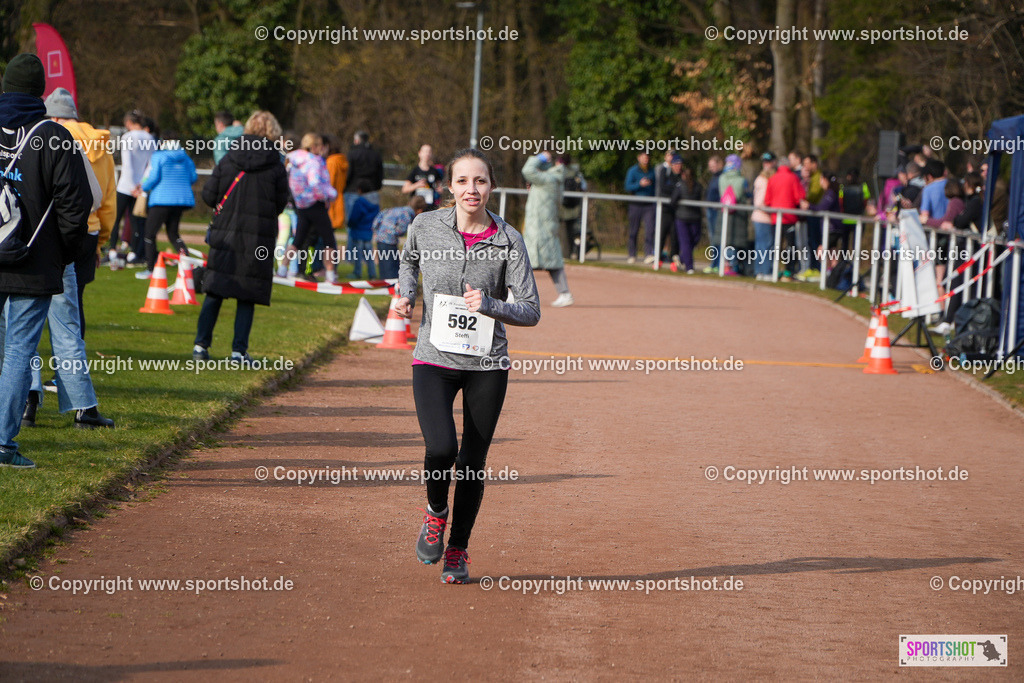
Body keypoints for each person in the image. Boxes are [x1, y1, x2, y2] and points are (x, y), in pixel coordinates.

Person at [396, 148, 541, 584]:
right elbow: (408, 262)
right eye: (463, 181)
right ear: (450, 187)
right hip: (434, 358)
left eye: (479, 181)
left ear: (491, 186)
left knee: (472, 462)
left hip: (486, 364)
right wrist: (405, 294)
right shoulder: (425, 225)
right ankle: (436, 511)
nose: (471, 189)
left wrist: (492, 304)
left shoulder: (508, 240)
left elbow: (531, 309)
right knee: (441, 449)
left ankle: (458, 550)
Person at [0, 54, 94, 468]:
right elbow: (78, 207)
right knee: (19, 351)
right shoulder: (54, 137)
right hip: (34, 262)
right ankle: (3, 444)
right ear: (40, 90)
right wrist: (66, 254)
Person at [194, 111, 289, 364]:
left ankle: (200, 346)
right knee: (248, 293)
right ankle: (238, 351)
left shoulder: (229, 158)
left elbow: (208, 194)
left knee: (214, 290)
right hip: (258, 236)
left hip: (226, 231)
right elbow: (280, 204)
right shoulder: (276, 164)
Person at [45, 87, 116, 335]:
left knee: (41, 307)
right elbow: (108, 201)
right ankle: (73, 368)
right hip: (91, 231)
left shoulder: (53, 138)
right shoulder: (103, 146)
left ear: (53, 118)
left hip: (59, 230)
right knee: (75, 306)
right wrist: (101, 242)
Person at [136, 137, 197, 280]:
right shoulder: (186, 158)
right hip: (181, 201)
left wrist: (142, 187)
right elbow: (193, 177)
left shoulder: (159, 156)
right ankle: (187, 264)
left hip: (161, 200)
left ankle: (151, 269)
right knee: (173, 234)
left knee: (149, 234)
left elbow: (153, 177)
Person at [283, 133, 338, 283]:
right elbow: (316, 184)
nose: (322, 149)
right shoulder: (313, 162)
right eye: (320, 145)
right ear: (313, 146)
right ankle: (330, 275)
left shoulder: (294, 161)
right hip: (316, 204)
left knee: (297, 240)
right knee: (329, 241)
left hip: (301, 205)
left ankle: (282, 270)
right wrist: (331, 194)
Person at [523, 152, 574, 307]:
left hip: (539, 228)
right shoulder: (554, 179)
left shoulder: (550, 179)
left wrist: (539, 158)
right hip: (543, 226)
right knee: (551, 263)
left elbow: (528, 170)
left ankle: (513, 293)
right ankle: (564, 293)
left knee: (523, 261)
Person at [110, 110, 154, 266]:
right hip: (140, 187)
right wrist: (141, 185)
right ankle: (136, 252)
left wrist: (131, 186)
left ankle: (112, 249)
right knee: (136, 221)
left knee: (115, 218)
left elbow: (127, 164)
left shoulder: (127, 137)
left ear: (128, 123)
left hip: (125, 185)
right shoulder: (150, 138)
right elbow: (150, 165)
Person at [763, 156, 805, 280]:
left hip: (776, 217)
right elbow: (799, 196)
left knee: (776, 245)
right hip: (789, 217)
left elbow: (767, 200)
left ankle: (773, 269)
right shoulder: (793, 178)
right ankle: (788, 271)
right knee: (790, 245)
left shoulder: (772, 178)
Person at [373, 195, 426, 280]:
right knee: (391, 267)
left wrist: (377, 231)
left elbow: (378, 219)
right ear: (419, 210)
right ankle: (391, 286)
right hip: (390, 241)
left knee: (383, 265)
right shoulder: (407, 215)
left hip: (380, 238)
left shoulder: (396, 209)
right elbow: (400, 230)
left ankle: (384, 284)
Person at [718, 154, 749, 276]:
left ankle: (725, 265)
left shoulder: (721, 178)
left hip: (724, 212)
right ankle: (732, 266)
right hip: (737, 214)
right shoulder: (742, 180)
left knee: (726, 240)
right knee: (734, 242)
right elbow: (743, 194)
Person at [670, 158, 702, 274]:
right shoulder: (681, 186)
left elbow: (673, 201)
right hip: (684, 218)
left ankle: (683, 260)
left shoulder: (696, 186)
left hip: (691, 218)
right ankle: (689, 266)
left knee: (689, 242)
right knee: (687, 242)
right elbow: (674, 201)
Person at [624, 152, 655, 264]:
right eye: (643, 156)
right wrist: (639, 184)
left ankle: (648, 254)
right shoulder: (632, 171)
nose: (645, 159)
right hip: (635, 204)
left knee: (650, 230)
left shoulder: (652, 171)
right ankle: (632, 254)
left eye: (647, 157)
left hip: (649, 205)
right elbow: (627, 186)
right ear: (638, 158)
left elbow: (655, 187)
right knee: (633, 230)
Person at [751, 152, 777, 280]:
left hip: (762, 216)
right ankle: (764, 271)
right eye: (765, 162)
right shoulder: (763, 179)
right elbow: (760, 202)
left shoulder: (764, 178)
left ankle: (761, 271)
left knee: (762, 245)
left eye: (768, 162)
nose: (766, 164)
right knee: (765, 245)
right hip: (763, 216)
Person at [344, 130, 383, 216]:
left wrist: (345, 186)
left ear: (356, 140)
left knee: (352, 219)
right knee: (370, 219)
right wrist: (377, 187)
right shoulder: (376, 155)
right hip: (372, 190)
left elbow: (348, 173)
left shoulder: (351, 154)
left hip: (353, 190)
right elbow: (380, 174)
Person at [346, 179, 379, 279]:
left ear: (360, 190)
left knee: (357, 255)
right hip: (368, 231)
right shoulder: (376, 203)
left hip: (358, 230)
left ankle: (357, 272)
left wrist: (350, 224)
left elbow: (354, 216)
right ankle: (372, 274)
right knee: (369, 255)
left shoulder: (360, 202)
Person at [558, 156, 587, 259]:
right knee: (572, 232)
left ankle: (562, 254)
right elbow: (584, 186)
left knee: (561, 232)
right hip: (574, 208)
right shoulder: (577, 173)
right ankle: (572, 253)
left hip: (560, 208)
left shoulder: (557, 172)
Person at [402, 144, 444, 209]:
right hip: (416, 207)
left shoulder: (434, 171)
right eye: (425, 151)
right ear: (419, 153)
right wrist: (417, 185)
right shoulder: (415, 171)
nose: (427, 154)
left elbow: (439, 186)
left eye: (429, 152)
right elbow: (405, 189)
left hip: (430, 206)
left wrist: (440, 189)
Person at [702, 155, 724, 273]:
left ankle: (718, 264)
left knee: (717, 238)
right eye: (710, 166)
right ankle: (714, 263)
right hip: (711, 210)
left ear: (719, 164)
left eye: (713, 166)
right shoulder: (714, 177)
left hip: (717, 211)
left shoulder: (721, 177)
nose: (711, 168)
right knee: (713, 239)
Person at [325, 135, 349, 230]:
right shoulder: (342, 160)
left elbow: (329, 183)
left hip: (331, 203)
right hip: (339, 200)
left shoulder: (331, 162)